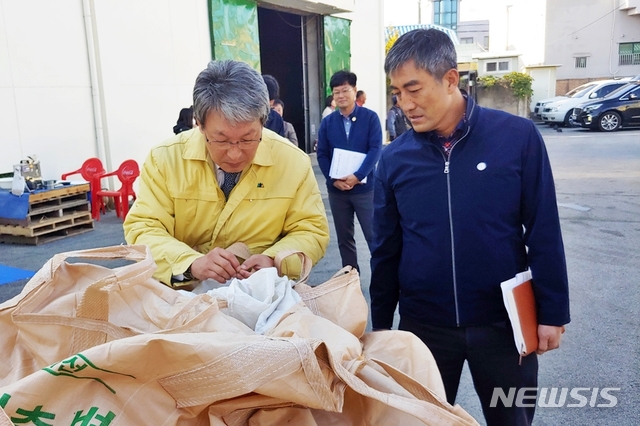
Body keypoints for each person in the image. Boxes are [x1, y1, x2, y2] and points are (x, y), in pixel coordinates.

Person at [370, 29, 570, 426]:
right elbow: (387, 249)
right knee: (420, 420)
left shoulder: (516, 138)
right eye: (397, 93)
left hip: (504, 324)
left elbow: (544, 228)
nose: (404, 104)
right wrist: (380, 328)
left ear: (449, 79)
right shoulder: (394, 159)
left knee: (511, 419)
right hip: (423, 327)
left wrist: (553, 312)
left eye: (413, 89)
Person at [124, 60, 329, 287]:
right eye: (221, 140)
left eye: (248, 138)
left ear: (263, 121)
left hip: (261, 297)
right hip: (180, 302)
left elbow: (311, 229)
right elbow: (142, 228)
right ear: (199, 124)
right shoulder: (164, 160)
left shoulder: (292, 162)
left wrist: (276, 261)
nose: (234, 154)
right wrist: (190, 263)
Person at [316, 70, 382, 271]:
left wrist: (358, 176)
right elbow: (322, 154)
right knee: (344, 239)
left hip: (364, 190)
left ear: (354, 90)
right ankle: (350, 279)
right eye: (337, 92)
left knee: (374, 236)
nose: (341, 96)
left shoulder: (370, 118)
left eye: (345, 90)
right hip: (338, 192)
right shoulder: (328, 122)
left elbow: (375, 149)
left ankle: (382, 279)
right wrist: (333, 179)